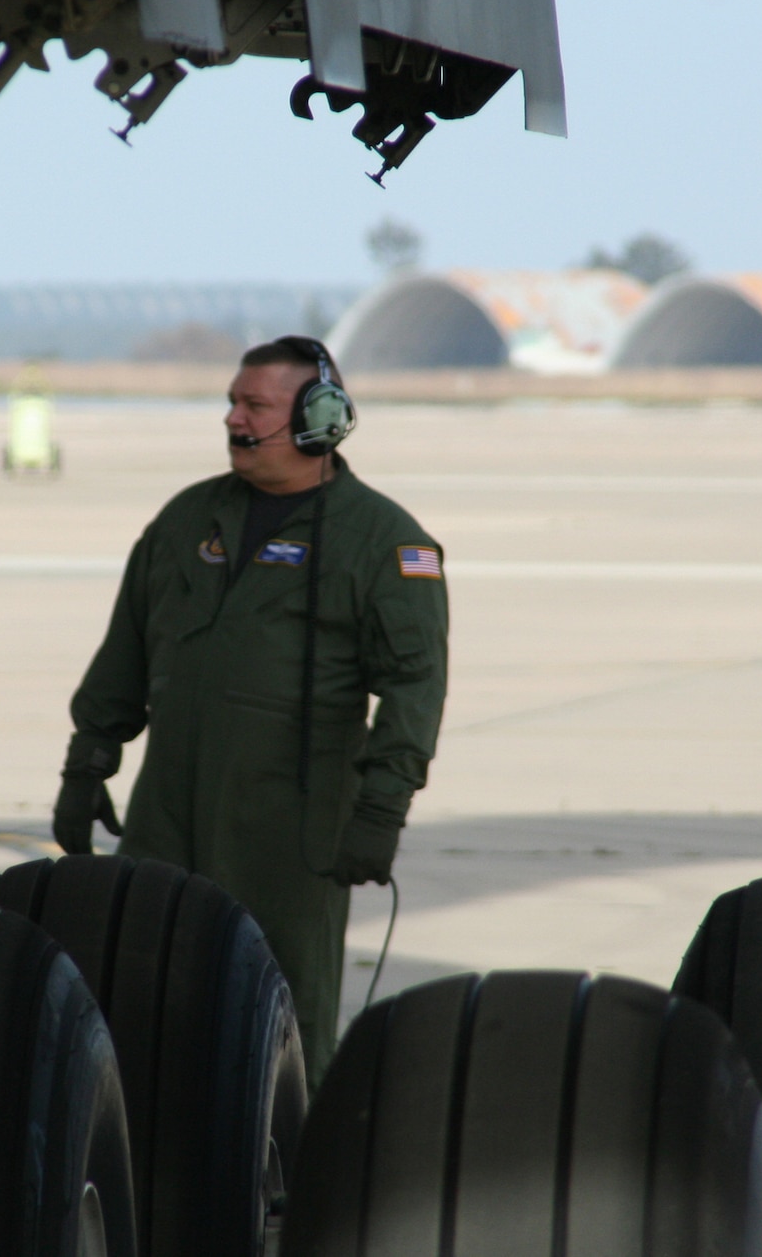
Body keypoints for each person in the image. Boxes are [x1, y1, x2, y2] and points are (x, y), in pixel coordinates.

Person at [52, 336, 449, 1086]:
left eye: (254, 405)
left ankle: (289, 1181)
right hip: (167, 811)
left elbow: (414, 688)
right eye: (232, 401)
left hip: (293, 827)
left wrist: (381, 810)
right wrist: (87, 764)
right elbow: (123, 655)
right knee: (139, 993)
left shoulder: (384, 541)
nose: (233, 418)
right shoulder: (186, 520)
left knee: (284, 1013)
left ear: (318, 419)